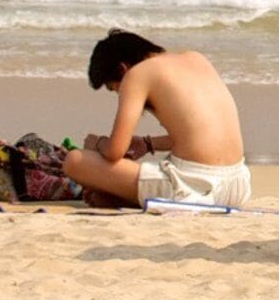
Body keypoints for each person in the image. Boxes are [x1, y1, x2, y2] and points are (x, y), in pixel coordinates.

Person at [65, 29, 252, 210]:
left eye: (115, 89)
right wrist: (148, 144)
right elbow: (203, 135)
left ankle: (126, 197)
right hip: (238, 187)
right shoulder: (196, 58)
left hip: (193, 188)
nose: (119, 94)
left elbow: (115, 152)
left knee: (75, 160)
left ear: (123, 68)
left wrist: (97, 143)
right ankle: (124, 198)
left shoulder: (137, 74)